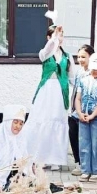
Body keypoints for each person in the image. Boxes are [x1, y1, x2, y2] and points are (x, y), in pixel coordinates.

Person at [27, 25, 74, 169]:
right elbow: (47, 50)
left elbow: (72, 77)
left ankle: (56, 159)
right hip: (46, 91)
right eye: (56, 35)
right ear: (49, 37)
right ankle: (41, 158)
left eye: (61, 35)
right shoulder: (45, 53)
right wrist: (54, 39)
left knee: (57, 122)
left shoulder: (67, 56)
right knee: (43, 121)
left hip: (60, 93)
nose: (60, 38)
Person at [74, 54, 97, 182]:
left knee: (96, 144)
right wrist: (79, 113)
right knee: (83, 143)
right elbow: (78, 98)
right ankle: (85, 170)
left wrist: (93, 115)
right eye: (93, 68)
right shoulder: (83, 80)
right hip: (83, 116)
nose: (94, 71)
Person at [69, 45, 95, 176]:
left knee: (86, 140)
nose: (80, 59)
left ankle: (89, 166)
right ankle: (79, 163)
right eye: (78, 57)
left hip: (87, 111)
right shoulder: (79, 72)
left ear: (91, 57)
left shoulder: (94, 72)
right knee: (73, 135)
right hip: (75, 111)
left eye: (83, 57)